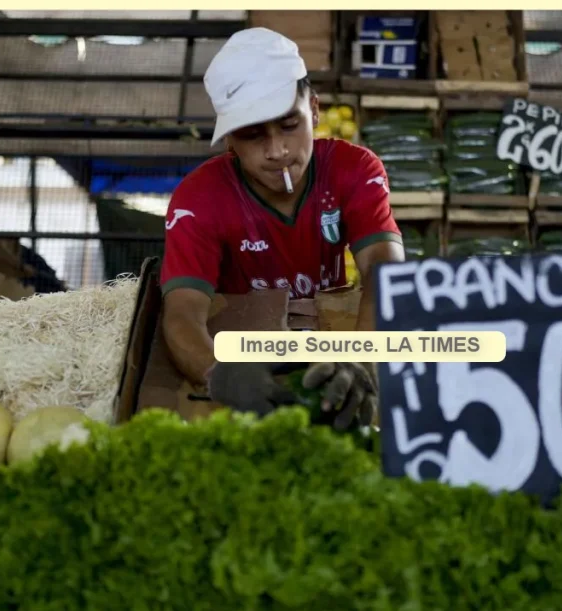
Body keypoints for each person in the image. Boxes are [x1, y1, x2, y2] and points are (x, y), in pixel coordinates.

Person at [159, 27, 406, 431]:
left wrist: (363, 357)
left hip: (333, 348)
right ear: (229, 143)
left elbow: (385, 268)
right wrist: (218, 373)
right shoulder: (197, 199)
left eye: (290, 124)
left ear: (314, 107)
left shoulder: (353, 169)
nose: (277, 151)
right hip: (243, 352)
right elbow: (183, 311)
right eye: (253, 135)